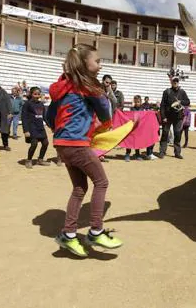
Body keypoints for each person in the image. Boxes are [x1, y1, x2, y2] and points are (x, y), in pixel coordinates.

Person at [46, 43, 123, 257]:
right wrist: (104, 122)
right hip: (77, 143)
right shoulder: (89, 86)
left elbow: (49, 116)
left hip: (62, 144)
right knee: (101, 182)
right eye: (97, 61)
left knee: (79, 188)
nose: (100, 65)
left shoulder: (61, 87)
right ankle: (95, 232)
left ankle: (68, 235)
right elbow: (105, 110)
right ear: (84, 63)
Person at [158, 77, 190, 159]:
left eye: (176, 81)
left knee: (177, 134)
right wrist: (163, 116)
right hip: (167, 117)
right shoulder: (167, 92)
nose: (175, 83)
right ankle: (162, 151)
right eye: (174, 81)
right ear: (171, 82)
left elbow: (188, 101)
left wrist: (181, 102)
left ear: (178, 83)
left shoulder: (182, 92)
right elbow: (162, 105)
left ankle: (177, 153)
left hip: (178, 117)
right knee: (165, 134)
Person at [22, 87, 50, 168]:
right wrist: (26, 130)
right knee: (34, 144)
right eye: (35, 94)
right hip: (32, 128)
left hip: (40, 128)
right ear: (31, 94)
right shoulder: (27, 104)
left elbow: (44, 117)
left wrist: (50, 126)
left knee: (45, 143)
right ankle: (28, 160)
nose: (37, 96)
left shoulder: (41, 104)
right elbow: (24, 118)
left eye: (38, 94)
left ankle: (40, 159)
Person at [124, 95, 143, 162]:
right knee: (129, 140)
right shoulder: (132, 109)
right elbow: (129, 116)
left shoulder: (142, 109)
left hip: (139, 128)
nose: (137, 103)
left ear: (141, 102)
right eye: (136, 102)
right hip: (132, 127)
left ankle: (137, 154)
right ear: (134, 102)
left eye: (138, 102)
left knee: (137, 141)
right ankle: (127, 154)